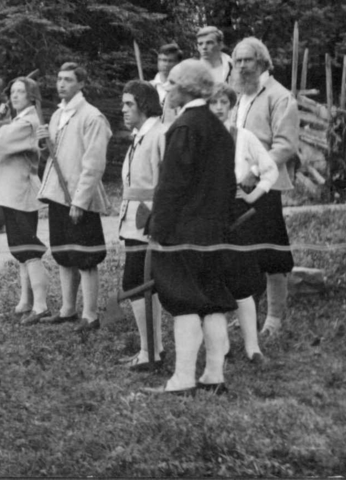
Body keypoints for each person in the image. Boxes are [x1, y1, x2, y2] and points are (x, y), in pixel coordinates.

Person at [146, 60, 237, 395]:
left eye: (171, 83)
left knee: (183, 300)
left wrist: (158, 230)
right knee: (212, 299)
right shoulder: (218, 128)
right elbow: (229, 186)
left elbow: (171, 186)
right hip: (214, 231)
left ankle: (183, 379)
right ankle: (214, 376)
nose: (167, 89)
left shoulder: (184, 126)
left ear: (187, 88)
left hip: (183, 231)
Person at [231, 36, 300, 337]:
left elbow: (285, 145)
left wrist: (256, 171)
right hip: (238, 187)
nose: (241, 66)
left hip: (265, 187)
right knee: (245, 253)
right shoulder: (239, 96)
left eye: (247, 60)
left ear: (262, 62)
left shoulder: (280, 96)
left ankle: (274, 320)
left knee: (272, 252)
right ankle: (248, 315)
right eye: (237, 60)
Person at [36, 62, 112, 332]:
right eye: (59, 79)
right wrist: (43, 142)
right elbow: (55, 155)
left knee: (86, 257)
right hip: (58, 195)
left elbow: (94, 164)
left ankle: (90, 314)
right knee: (64, 254)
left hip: (81, 198)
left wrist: (80, 201)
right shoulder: (58, 115)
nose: (61, 84)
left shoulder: (92, 117)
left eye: (68, 79)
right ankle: (68, 309)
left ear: (81, 84)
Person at [209, 83, 276, 365]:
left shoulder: (244, 137)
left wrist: (251, 196)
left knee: (243, 281)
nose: (219, 107)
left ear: (232, 105)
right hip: (209, 215)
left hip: (238, 215)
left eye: (224, 102)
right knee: (214, 279)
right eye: (213, 102)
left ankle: (252, 347)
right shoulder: (200, 137)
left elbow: (270, 169)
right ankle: (221, 345)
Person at [0, 76, 48, 324]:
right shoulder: (19, 120)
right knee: (19, 248)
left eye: (20, 92)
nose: (14, 96)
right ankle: (26, 300)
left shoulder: (27, 123)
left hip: (21, 192)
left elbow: (0, 144)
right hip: (11, 192)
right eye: (12, 92)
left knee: (27, 246)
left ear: (31, 97)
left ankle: (41, 305)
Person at [116, 80, 167, 371]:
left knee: (136, 283)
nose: (123, 110)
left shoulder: (159, 134)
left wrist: (158, 217)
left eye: (129, 104)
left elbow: (166, 181)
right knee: (143, 284)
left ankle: (149, 351)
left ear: (144, 105)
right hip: (134, 219)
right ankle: (153, 348)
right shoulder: (141, 136)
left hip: (149, 219)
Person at [148, 43, 183, 122]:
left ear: (178, 63)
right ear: (158, 61)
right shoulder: (148, 87)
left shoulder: (183, 89)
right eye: (163, 60)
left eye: (170, 61)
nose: (166, 64)